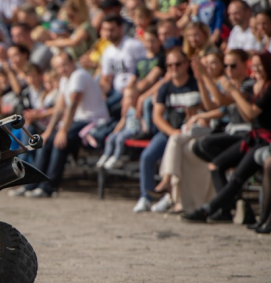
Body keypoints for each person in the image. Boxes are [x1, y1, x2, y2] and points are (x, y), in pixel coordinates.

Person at [182, 52, 271, 223]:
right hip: (254, 138)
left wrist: (230, 90)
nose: (228, 69)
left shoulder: (251, 85)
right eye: (255, 66)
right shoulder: (257, 86)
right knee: (214, 161)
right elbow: (219, 105)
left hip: (258, 139)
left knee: (234, 175)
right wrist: (202, 79)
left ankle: (214, 209)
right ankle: (229, 207)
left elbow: (249, 114)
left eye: (233, 65)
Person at [13, 52, 109, 198]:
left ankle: (48, 187)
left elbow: (73, 105)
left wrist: (63, 130)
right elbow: (60, 107)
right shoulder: (66, 79)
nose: (62, 69)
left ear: (72, 63)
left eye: (64, 65)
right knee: (45, 141)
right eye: (58, 67)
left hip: (92, 121)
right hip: (78, 121)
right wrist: (49, 131)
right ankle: (31, 185)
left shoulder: (79, 76)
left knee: (59, 142)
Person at [134, 49, 201, 212]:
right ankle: (147, 196)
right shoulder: (165, 88)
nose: (174, 68)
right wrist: (171, 132)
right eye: (170, 65)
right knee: (147, 156)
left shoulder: (196, 85)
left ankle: (170, 196)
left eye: (178, 64)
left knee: (179, 152)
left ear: (186, 65)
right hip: (170, 132)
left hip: (192, 132)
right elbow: (157, 117)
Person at [95, 86, 142, 170]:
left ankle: (116, 157)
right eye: (128, 97)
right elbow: (122, 122)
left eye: (132, 97)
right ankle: (106, 155)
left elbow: (142, 122)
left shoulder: (138, 110)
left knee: (120, 138)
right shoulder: (127, 110)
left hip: (134, 131)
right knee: (111, 138)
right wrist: (115, 132)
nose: (130, 100)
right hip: (127, 130)